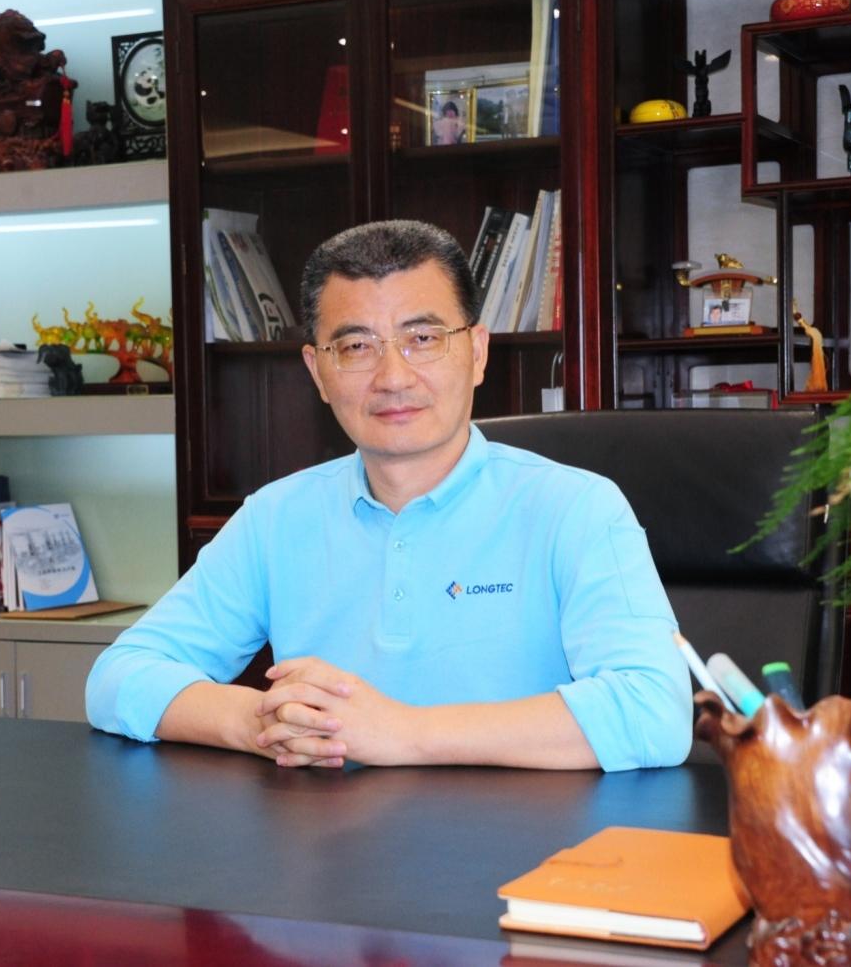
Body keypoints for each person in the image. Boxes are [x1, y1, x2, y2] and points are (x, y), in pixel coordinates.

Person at [86, 220, 691, 772]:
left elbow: (655, 711)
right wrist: (262, 722)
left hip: (528, 848)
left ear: (477, 352)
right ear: (317, 372)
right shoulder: (276, 517)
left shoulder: (577, 509)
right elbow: (119, 677)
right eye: (356, 347)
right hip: (330, 845)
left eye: (422, 338)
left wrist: (402, 732)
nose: (393, 377)